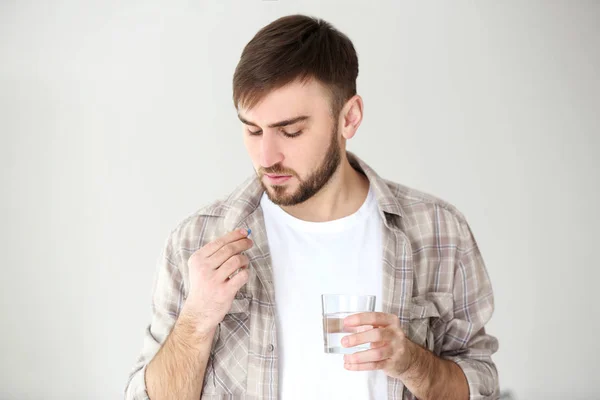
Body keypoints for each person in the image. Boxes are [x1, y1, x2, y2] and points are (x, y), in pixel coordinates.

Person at [125, 14, 499, 400]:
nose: (266, 156)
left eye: (291, 131)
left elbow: (480, 384)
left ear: (349, 118)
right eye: (253, 130)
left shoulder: (438, 231)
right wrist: (197, 320)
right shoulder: (197, 240)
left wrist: (412, 363)